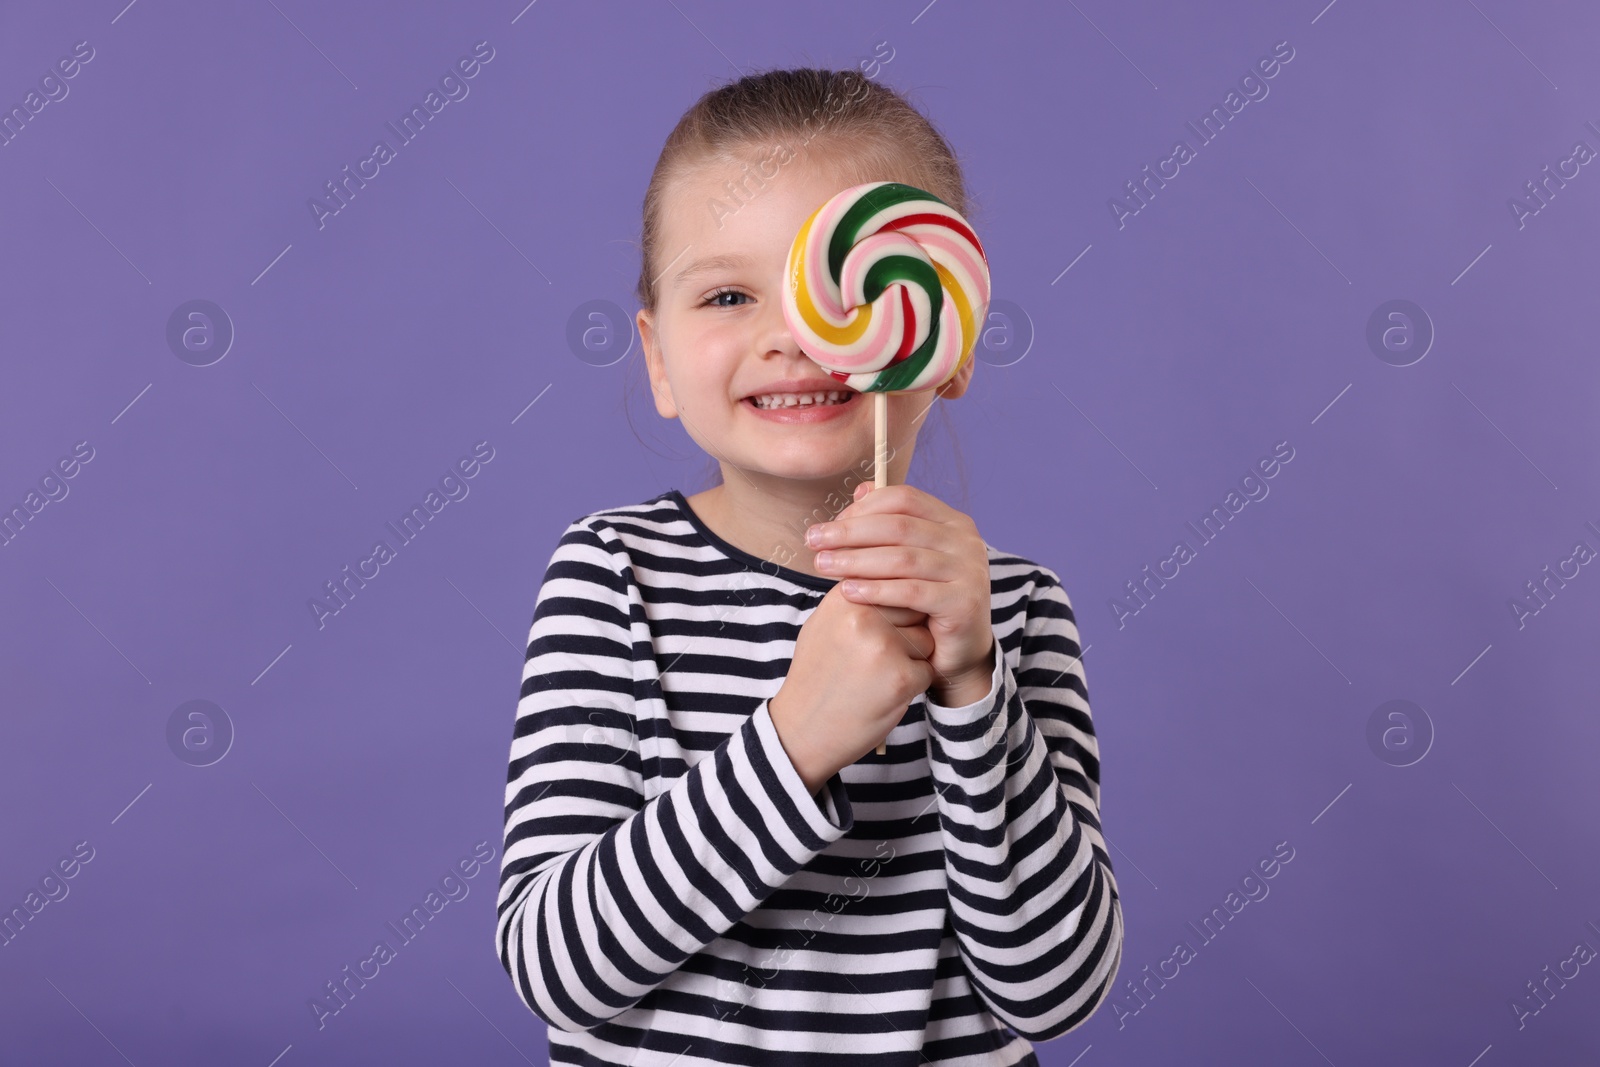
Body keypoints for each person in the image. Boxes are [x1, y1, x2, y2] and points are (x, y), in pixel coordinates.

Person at [495, 66, 1123, 1065]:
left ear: (949, 331)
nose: (792, 334)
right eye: (730, 293)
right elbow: (557, 965)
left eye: (852, 287)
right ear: (658, 359)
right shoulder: (612, 575)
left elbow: (1055, 989)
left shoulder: (1012, 609)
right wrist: (795, 738)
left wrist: (970, 688)